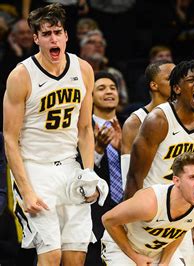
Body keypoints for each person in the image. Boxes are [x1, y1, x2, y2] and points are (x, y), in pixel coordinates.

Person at [3, 3, 103, 265]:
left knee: (75, 257)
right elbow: (10, 138)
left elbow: (84, 128)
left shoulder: (83, 70)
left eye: (57, 32)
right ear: (36, 39)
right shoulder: (21, 75)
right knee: (51, 255)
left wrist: (89, 171)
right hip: (34, 167)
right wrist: (26, 189)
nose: (53, 38)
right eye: (46, 34)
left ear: (66, 35)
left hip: (70, 165)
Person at [120, 59, 194, 265]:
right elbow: (135, 176)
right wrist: (130, 223)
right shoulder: (158, 121)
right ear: (177, 88)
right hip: (151, 211)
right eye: (191, 80)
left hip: (181, 215)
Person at [102, 152, 194, 265]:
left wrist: (164, 262)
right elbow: (108, 220)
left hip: (157, 251)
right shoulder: (149, 203)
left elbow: (181, 229)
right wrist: (135, 257)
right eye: (193, 177)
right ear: (176, 181)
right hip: (124, 248)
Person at [85, 71, 122, 266]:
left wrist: (124, 150)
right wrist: (98, 149)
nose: (109, 92)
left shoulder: (131, 124)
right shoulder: (81, 127)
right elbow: (77, 170)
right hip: (95, 214)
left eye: (112, 88)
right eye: (101, 88)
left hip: (127, 209)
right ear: (90, 96)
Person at [121, 60, 175, 180]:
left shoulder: (185, 115)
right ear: (154, 85)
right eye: (170, 78)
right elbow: (128, 175)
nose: (177, 83)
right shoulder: (135, 122)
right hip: (151, 194)